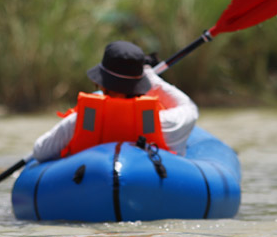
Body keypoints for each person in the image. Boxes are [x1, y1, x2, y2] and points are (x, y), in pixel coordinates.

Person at [30, 40, 198, 162]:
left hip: (90, 182)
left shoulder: (82, 120)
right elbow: (189, 107)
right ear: (141, 85)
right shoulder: (161, 122)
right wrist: (153, 80)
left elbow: (40, 151)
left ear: (101, 84)